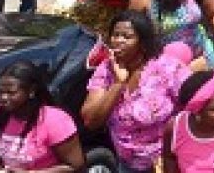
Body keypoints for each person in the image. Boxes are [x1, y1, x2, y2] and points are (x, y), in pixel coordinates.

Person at [82, 10, 192, 173]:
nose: (118, 41)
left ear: (143, 42)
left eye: (127, 37)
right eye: (115, 35)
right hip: (128, 165)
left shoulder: (166, 68)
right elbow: (91, 120)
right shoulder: (105, 71)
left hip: (169, 162)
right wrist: (118, 84)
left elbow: (194, 106)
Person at [0, 60, 84, 173]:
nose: (3, 98)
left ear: (31, 91)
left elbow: (75, 166)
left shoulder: (54, 120)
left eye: (11, 93)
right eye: (0, 92)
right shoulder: (1, 114)